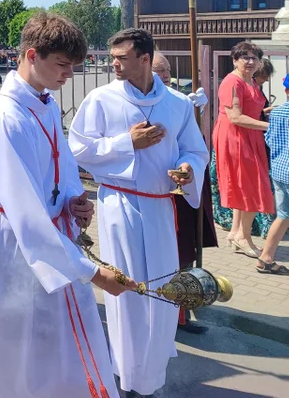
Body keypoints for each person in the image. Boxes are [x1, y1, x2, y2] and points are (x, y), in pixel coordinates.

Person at [0, 12, 130, 398]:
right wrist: (90, 271)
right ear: (32, 55)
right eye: (62, 65)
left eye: (73, 66)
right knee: (5, 351)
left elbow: (64, 161)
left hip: (50, 235)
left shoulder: (46, 103)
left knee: (51, 346)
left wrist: (73, 197)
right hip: (11, 242)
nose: (68, 75)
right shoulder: (6, 116)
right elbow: (24, 210)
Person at [69, 29, 208, 397]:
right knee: (126, 287)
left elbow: (196, 150)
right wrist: (125, 143)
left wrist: (187, 169)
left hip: (160, 206)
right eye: (112, 56)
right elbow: (78, 149)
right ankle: (126, 375)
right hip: (119, 205)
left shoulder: (177, 104)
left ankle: (154, 371)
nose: (112, 63)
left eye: (121, 57)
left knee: (162, 289)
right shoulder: (101, 99)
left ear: (144, 59)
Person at [150, 51, 219, 334]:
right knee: (169, 253)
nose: (165, 75)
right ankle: (168, 310)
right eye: (159, 70)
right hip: (160, 193)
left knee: (185, 249)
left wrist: (196, 113)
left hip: (187, 187)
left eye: (166, 70)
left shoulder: (178, 102)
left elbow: (193, 145)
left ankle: (184, 305)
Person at [213, 41, 274, 257]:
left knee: (244, 185)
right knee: (251, 186)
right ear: (235, 60)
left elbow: (250, 109)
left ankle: (236, 233)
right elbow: (235, 117)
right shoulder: (232, 82)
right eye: (244, 57)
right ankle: (243, 237)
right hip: (236, 137)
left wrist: (267, 112)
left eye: (254, 58)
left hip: (250, 135)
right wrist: (271, 125)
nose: (249, 62)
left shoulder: (250, 81)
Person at [259, 75, 289, 275]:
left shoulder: (277, 113)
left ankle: (266, 258)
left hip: (279, 171)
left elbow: (269, 139)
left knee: (284, 215)